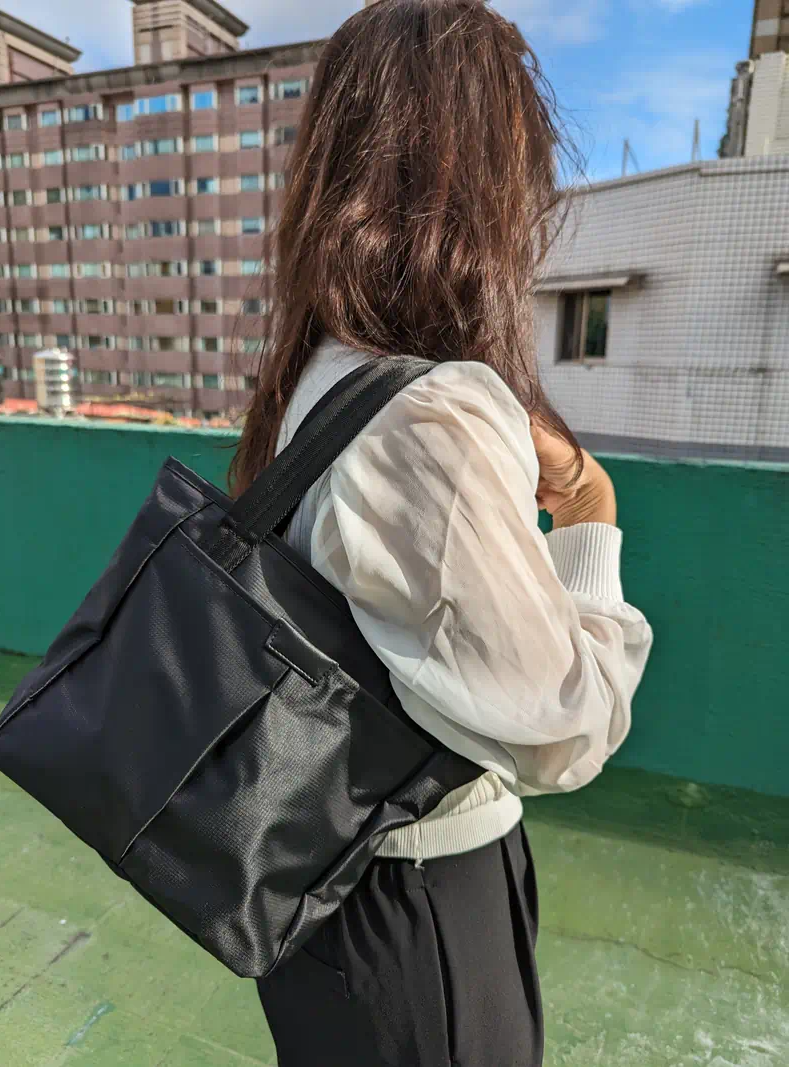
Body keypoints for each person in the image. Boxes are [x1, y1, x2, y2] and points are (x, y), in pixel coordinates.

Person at [232, 2, 653, 1064]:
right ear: (476, 179)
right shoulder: (430, 413)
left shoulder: (317, 371)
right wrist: (589, 511)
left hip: (323, 891)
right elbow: (561, 731)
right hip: (415, 898)